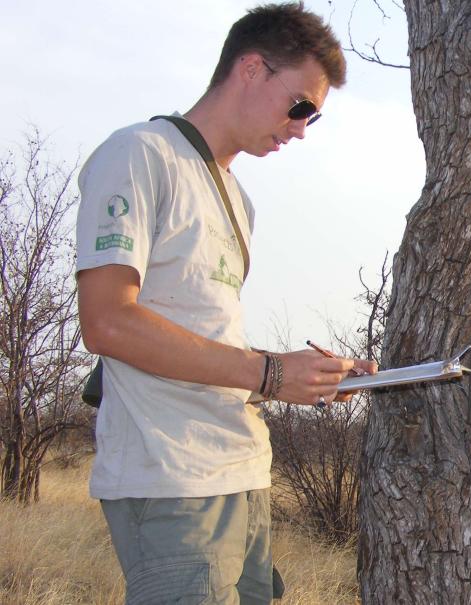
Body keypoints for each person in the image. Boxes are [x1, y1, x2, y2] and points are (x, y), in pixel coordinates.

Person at [75, 4, 374, 602]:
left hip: (242, 472)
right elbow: (107, 320)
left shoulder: (239, 201)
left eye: (313, 119)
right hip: (171, 479)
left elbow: (203, 334)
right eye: (300, 107)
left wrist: (302, 376)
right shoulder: (139, 154)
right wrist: (267, 372)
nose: (300, 130)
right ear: (251, 69)